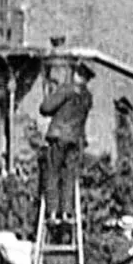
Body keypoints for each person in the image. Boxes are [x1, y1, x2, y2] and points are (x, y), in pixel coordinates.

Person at [39, 59, 95, 230]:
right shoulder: (87, 97)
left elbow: (45, 108)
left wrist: (52, 94)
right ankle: (67, 212)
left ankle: (53, 212)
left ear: (76, 74)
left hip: (59, 137)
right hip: (76, 139)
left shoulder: (66, 89)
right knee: (69, 175)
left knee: (53, 172)